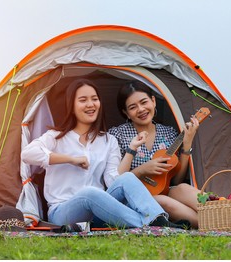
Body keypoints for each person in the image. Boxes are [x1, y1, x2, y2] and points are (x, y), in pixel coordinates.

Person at [21, 78, 181, 229]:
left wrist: (132, 149)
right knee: (89, 193)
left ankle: (157, 218)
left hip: (98, 212)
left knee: (126, 178)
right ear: (71, 105)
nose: (90, 104)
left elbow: (113, 180)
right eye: (83, 100)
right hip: (62, 212)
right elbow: (28, 154)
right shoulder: (56, 137)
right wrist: (71, 159)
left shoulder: (108, 140)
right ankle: (150, 223)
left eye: (94, 99)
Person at [108, 80, 201, 228]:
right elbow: (116, 180)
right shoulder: (117, 134)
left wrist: (187, 143)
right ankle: (212, 223)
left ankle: (222, 210)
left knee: (182, 188)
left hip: (163, 190)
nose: (141, 109)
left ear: (153, 101)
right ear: (126, 113)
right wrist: (142, 170)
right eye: (133, 107)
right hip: (134, 199)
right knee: (162, 201)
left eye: (144, 102)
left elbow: (176, 179)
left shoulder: (168, 133)